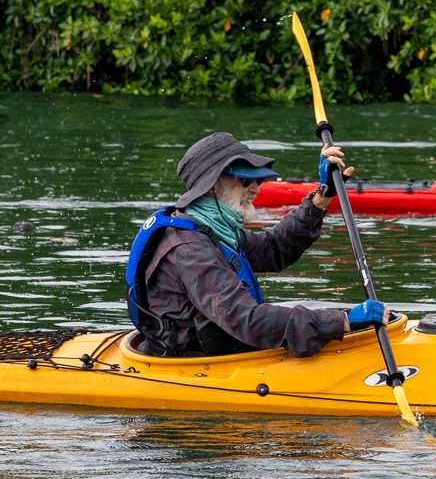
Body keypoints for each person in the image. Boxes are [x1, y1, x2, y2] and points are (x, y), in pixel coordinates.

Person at [125, 131, 385, 357]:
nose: (256, 188)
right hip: (193, 364)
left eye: (258, 180)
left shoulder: (215, 231)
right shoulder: (189, 249)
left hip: (223, 348)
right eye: (245, 179)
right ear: (212, 187)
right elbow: (247, 320)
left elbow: (272, 249)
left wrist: (322, 197)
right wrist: (342, 320)